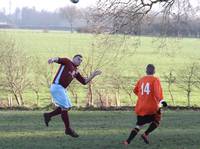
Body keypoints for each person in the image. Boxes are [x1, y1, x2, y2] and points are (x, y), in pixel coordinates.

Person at [43, 54, 102, 138]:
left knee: (68, 107)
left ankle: (48, 115)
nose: (80, 61)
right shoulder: (67, 62)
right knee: (65, 108)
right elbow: (58, 59)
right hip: (57, 86)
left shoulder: (76, 71)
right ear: (73, 58)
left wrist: (93, 75)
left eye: (81, 61)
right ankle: (68, 129)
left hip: (62, 89)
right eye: (78, 59)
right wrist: (52, 59)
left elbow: (84, 82)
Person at [123, 64, 167, 145]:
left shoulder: (141, 80)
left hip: (140, 107)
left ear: (146, 71)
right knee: (157, 120)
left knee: (138, 126)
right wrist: (162, 101)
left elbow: (135, 90)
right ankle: (145, 134)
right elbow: (157, 93)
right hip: (151, 107)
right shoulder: (155, 80)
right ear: (154, 71)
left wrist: (143, 96)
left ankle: (127, 141)